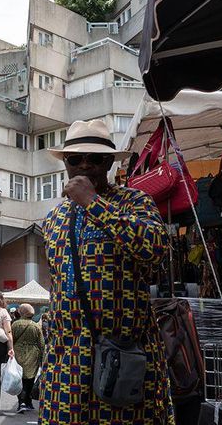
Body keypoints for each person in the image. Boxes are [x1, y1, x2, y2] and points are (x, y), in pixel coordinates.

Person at [39, 119, 174, 425]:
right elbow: (57, 285)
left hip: (122, 356)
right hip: (68, 362)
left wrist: (93, 203)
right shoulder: (53, 220)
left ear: (110, 162)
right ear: (66, 164)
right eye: (76, 159)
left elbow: (156, 249)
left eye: (96, 159)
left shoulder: (134, 202)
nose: (85, 166)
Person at [11, 304, 44, 414]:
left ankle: (21, 401)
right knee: (29, 379)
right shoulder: (36, 326)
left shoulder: (15, 324)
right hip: (32, 355)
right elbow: (41, 343)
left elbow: (11, 340)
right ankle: (27, 401)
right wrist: (42, 358)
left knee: (18, 378)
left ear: (21, 312)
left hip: (18, 353)